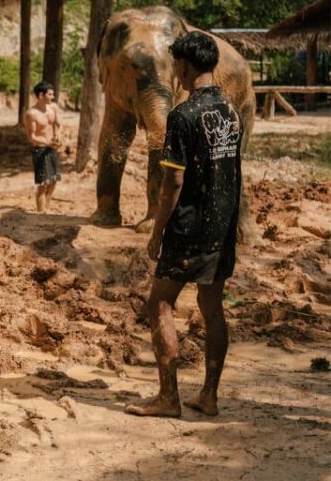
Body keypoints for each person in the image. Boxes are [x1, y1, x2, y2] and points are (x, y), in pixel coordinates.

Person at [126, 31, 242, 418]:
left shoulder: (182, 115)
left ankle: (168, 398)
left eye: (176, 64)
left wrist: (158, 230)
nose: (174, 71)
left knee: (159, 302)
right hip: (222, 225)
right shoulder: (230, 111)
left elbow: (172, 182)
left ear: (185, 66)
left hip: (190, 225)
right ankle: (209, 395)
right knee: (212, 307)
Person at [23, 81, 62, 212]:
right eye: (50, 94)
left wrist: (59, 136)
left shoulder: (53, 108)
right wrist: (47, 142)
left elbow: (58, 124)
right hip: (39, 149)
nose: (53, 97)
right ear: (41, 95)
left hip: (52, 148)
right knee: (43, 182)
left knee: (54, 180)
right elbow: (31, 137)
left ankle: (47, 207)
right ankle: (41, 212)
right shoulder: (32, 114)